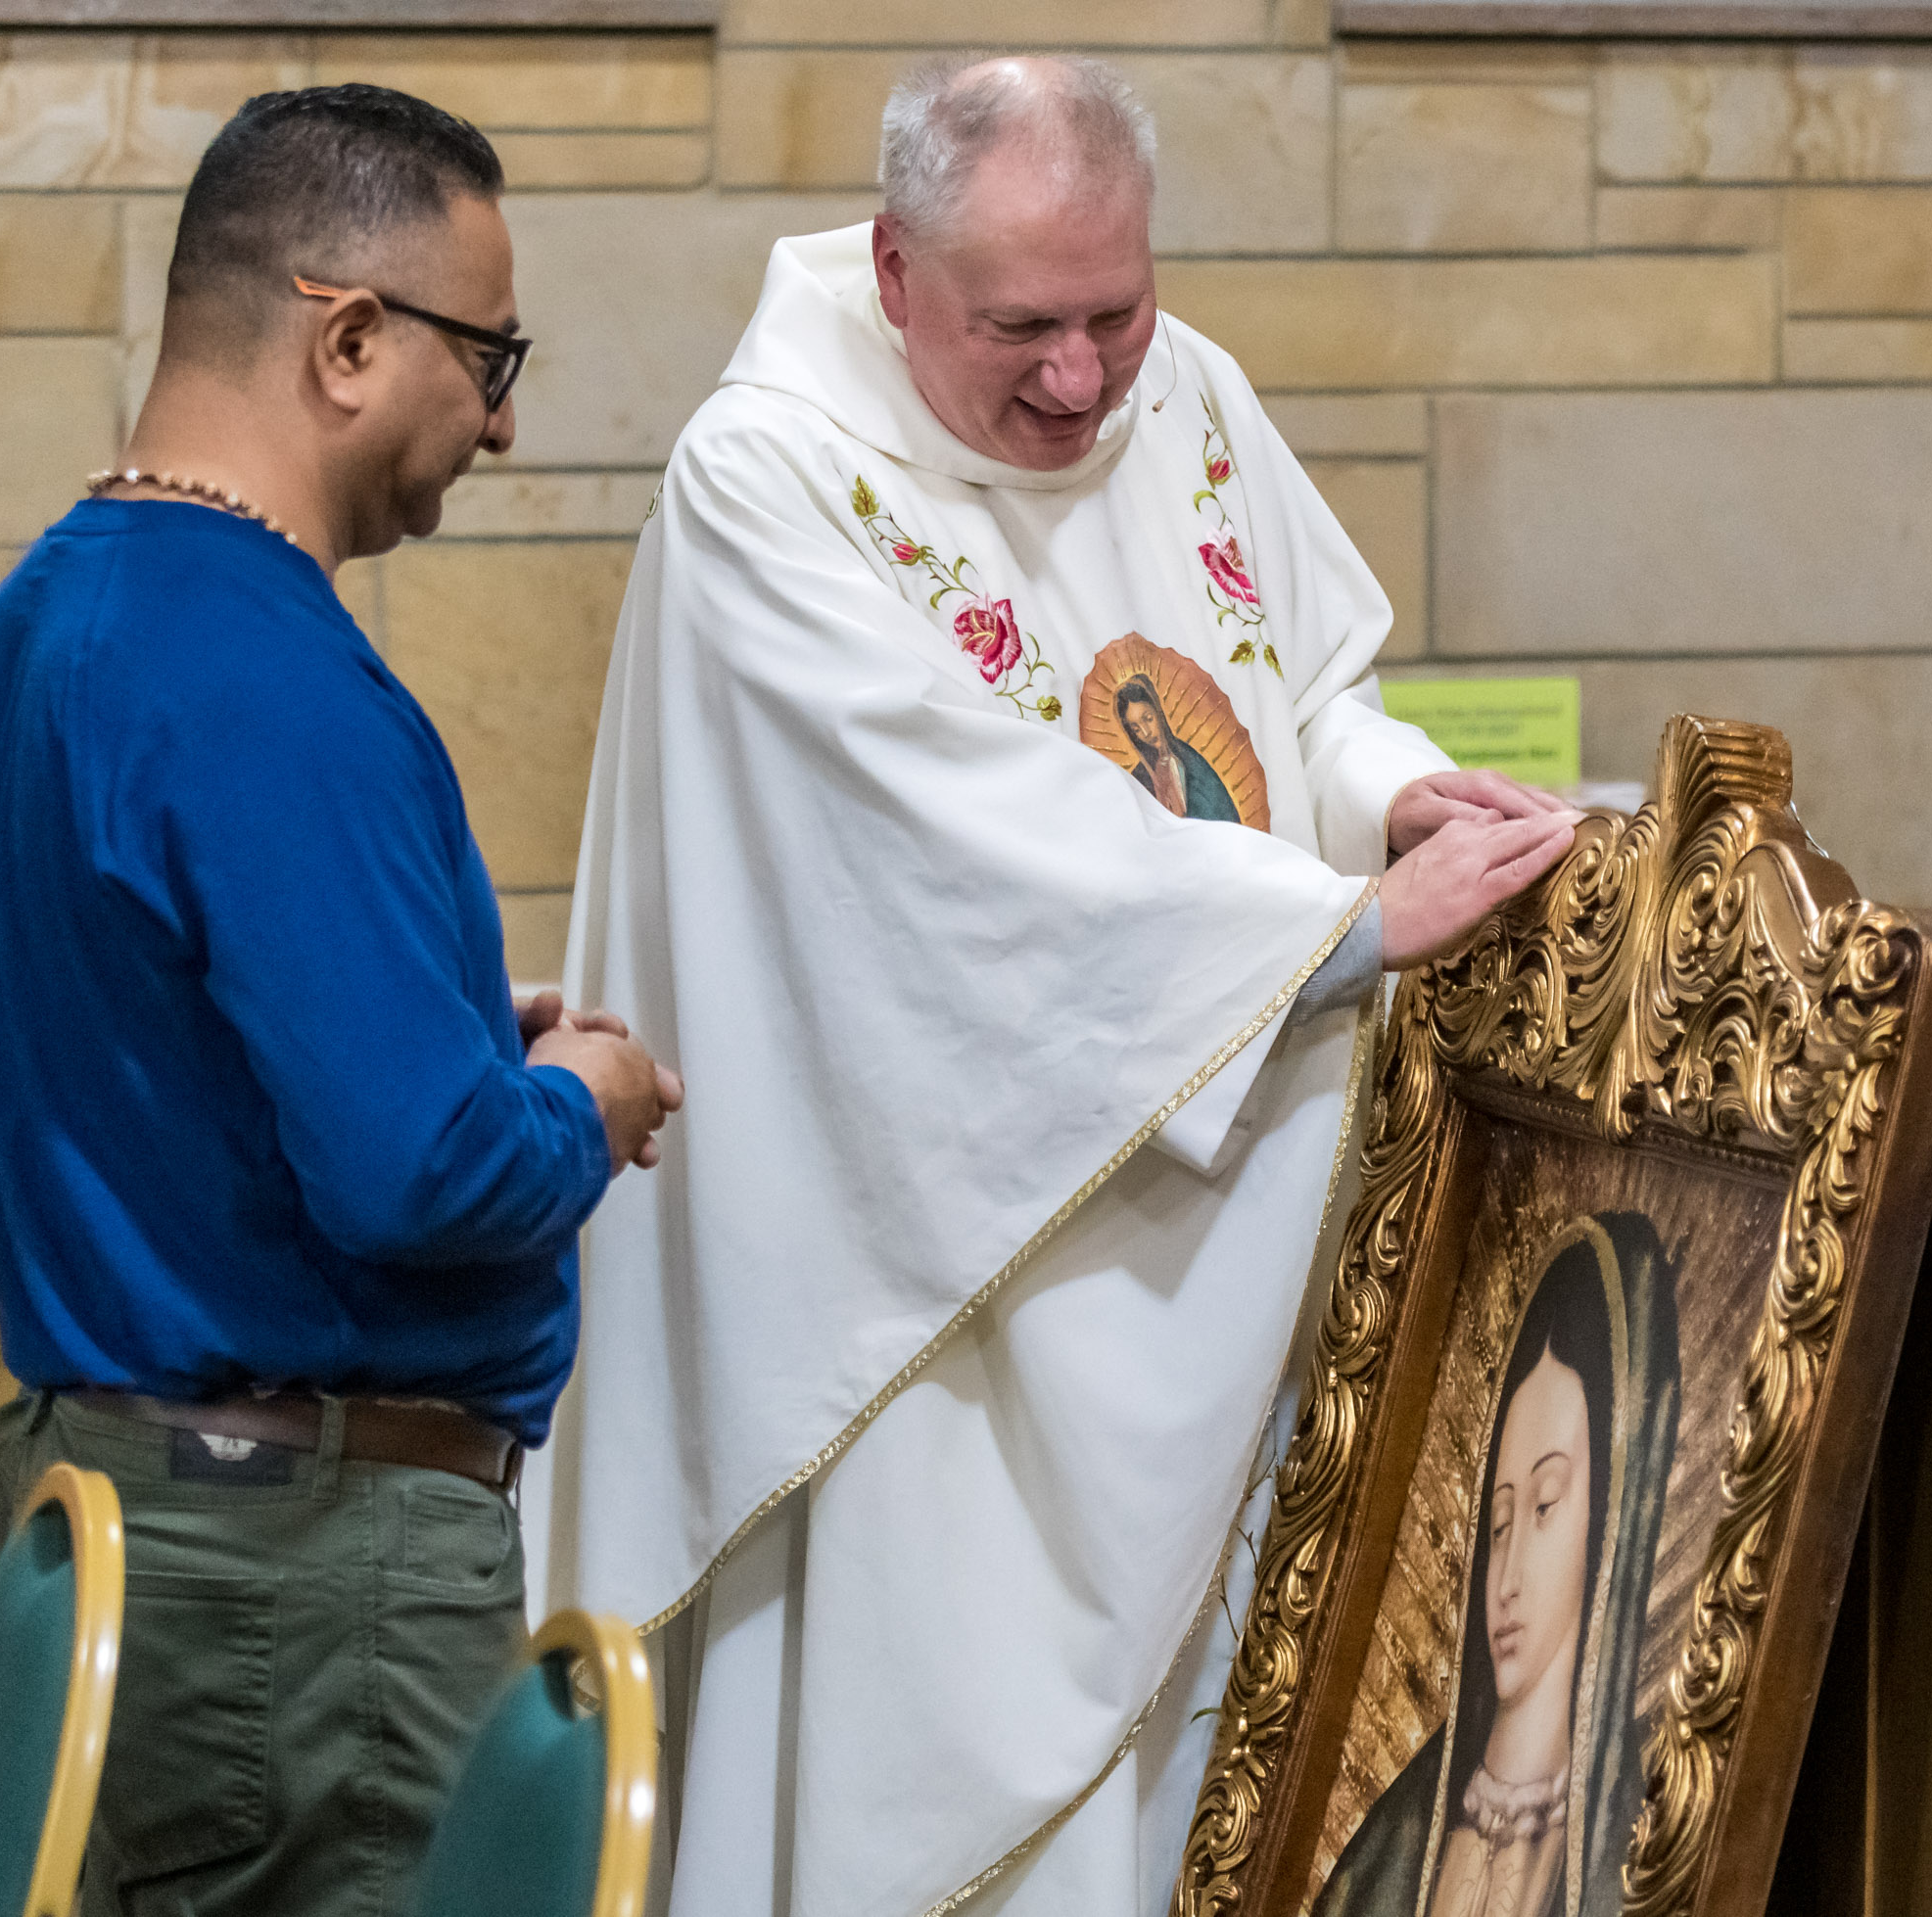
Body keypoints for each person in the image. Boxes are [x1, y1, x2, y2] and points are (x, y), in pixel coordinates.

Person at [530, 54, 1579, 1917]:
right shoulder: (764, 481)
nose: (1084, 380)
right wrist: (1336, 928)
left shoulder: (1193, 396)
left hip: (1214, 1247)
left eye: (1118, 310)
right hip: (929, 1306)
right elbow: (950, 855)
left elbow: (1301, 694)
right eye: (1023, 326)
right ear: (893, 268)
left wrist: (1387, 787)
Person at [0, 85, 678, 1917]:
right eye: (487, 354)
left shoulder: (23, 632)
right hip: (297, 1587)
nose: (501, 419)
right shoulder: (273, 676)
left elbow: (157, 1056)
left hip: (116, 1509)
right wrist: (584, 1096)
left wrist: (456, 1043)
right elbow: (422, 1179)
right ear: (348, 335)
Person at [1315, 1214, 1682, 1917]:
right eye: (1498, 1523)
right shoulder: (1401, 1840)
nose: (1506, 1577)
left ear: (1608, 1520)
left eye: (1545, 1507)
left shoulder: (1631, 1854)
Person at [1116, 673, 1238, 822]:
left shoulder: (1192, 764)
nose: (1146, 732)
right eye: (1136, 729)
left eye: (1148, 719)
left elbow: (1221, 814)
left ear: (1158, 712)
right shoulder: (1140, 777)